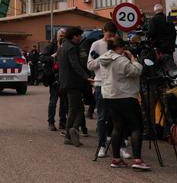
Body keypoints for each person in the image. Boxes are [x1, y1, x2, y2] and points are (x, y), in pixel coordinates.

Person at [99, 38, 150, 171]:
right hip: (126, 96)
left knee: (117, 126)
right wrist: (133, 59)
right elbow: (136, 71)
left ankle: (116, 159)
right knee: (136, 127)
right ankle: (137, 160)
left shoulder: (103, 58)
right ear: (121, 48)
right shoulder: (121, 60)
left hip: (110, 96)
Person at [87, 21, 120, 158]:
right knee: (102, 116)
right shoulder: (96, 45)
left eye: (113, 35)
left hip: (116, 85)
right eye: (108, 35)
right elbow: (90, 65)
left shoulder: (118, 44)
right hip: (101, 84)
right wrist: (103, 59)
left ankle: (120, 145)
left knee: (117, 117)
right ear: (103, 31)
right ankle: (101, 145)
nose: (110, 38)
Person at [58, 27, 89, 147]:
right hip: (73, 82)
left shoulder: (62, 46)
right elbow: (75, 65)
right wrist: (86, 77)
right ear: (74, 36)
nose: (80, 38)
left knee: (76, 108)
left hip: (65, 82)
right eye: (79, 36)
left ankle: (70, 133)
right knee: (75, 109)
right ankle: (71, 131)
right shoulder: (71, 48)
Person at [44, 28, 67, 132]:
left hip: (65, 78)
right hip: (53, 78)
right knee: (53, 101)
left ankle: (63, 122)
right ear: (57, 36)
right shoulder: (50, 46)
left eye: (64, 35)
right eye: (60, 35)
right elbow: (42, 58)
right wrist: (53, 57)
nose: (62, 37)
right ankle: (51, 122)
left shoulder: (67, 46)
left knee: (64, 102)